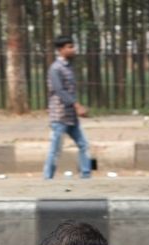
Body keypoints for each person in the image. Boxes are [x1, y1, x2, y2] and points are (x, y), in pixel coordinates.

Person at [43, 36, 91, 180]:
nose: (73, 49)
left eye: (72, 46)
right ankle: (47, 178)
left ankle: (86, 176)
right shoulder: (55, 68)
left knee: (83, 145)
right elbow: (59, 90)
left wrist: (76, 109)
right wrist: (77, 105)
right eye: (69, 47)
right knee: (55, 150)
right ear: (61, 50)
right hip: (59, 115)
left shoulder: (68, 67)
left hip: (71, 116)